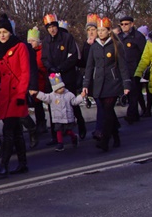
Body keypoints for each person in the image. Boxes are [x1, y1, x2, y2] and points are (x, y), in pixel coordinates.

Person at [0, 15, 30, 176]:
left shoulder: (20, 47)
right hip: (5, 96)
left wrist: (21, 94)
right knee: (16, 130)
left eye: (5, 32)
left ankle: (3, 164)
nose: (2, 35)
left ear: (10, 32)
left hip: (16, 96)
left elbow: (25, 72)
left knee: (8, 131)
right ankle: (22, 163)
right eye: (0, 32)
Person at [82, 17, 132, 151]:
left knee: (108, 111)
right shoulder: (94, 46)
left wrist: (126, 85)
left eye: (103, 30)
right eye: (99, 30)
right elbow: (89, 67)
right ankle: (115, 136)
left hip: (113, 83)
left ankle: (104, 140)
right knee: (107, 112)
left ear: (109, 31)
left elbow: (123, 67)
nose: (100, 33)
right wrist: (86, 84)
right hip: (98, 84)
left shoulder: (116, 45)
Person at [41, 14, 87, 139]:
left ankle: (81, 124)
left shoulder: (67, 38)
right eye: (49, 27)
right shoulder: (45, 41)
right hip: (53, 77)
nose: (52, 29)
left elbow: (73, 57)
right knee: (54, 104)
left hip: (67, 75)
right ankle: (56, 135)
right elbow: (44, 58)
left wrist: (61, 68)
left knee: (71, 102)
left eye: (53, 26)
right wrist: (51, 68)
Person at [35, 73, 84, 151]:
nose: (61, 89)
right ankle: (60, 143)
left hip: (67, 117)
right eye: (59, 88)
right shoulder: (52, 96)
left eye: (62, 87)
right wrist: (37, 93)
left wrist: (81, 96)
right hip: (57, 118)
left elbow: (74, 101)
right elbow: (44, 97)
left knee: (68, 131)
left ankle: (74, 137)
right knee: (58, 130)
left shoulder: (69, 94)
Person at [117, 16, 146, 124]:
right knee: (129, 92)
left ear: (132, 24)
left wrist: (141, 67)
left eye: (126, 24)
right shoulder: (119, 37)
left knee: (134, 92)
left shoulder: (138, 37)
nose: (124, 26)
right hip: (123, 69)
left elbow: (144, 52)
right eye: (122, 24)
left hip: (135, 69)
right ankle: (135, 113)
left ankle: (132, 114)